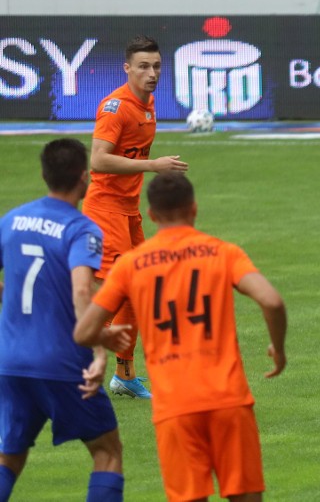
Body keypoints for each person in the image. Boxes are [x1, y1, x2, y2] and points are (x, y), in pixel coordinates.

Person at [74, 172, 287, 502]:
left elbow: (84, 331)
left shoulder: (131, 265)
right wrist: (279, 349)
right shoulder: (223, 252)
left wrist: (107, 338)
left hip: (175, 406)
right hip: (228, 399)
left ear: (152, 215)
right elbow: (271, 300)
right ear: (194, 209)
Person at [0, 138, 130, 501]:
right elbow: (81, 293)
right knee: (107, 452)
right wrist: (99, 348)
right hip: (61, 362)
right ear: (84, 177)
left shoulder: (11, 220)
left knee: (9, 457)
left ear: (44, 174)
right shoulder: (81, 229)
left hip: (10, 362)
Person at [82, 34, 189, 399]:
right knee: (119, 289)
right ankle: (76, 351)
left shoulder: (149, 103)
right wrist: (153, 165)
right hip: (105, 209)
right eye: (143, 66)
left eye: (157, 66)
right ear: (127, 68)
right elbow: (97, 159)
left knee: (139, 287)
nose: (152, 73)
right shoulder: (116, 106)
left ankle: (124, 375)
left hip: (128, 211)